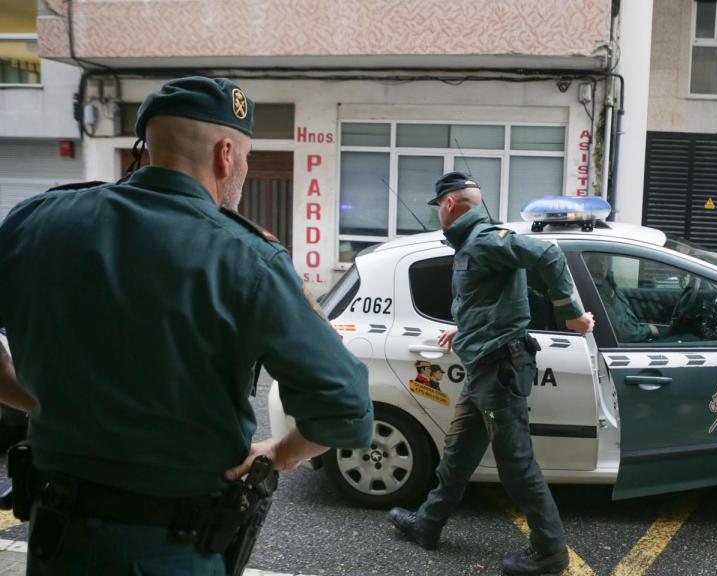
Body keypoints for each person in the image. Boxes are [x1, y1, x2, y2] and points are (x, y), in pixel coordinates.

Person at [0, 76, 373, 575]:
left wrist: (39, 400)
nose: (244, 169)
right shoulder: (247, 258)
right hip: (172, 550)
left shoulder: (34, 222)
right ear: (225, 154)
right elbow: (345, 408)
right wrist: (280, 452)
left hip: (56, 543)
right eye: (246, 157)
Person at [388, 172, 595, 576]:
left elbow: (549, 254)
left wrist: (571, 315)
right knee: (458, 453)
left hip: (499, 369)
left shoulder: (484, 241)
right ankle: (428, 524)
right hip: (483, 368)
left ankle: (550, 551)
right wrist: (464, 326)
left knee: (516, 465)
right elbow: (491, 297)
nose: (439, 214)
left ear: (449, 204)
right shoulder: (471, 245)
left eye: (439, 207)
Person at [583, 253, 660, 342]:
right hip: (626, 340)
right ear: (589, 264)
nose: (602, 265)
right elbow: (621, 334)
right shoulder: (594, 291)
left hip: (633, 330)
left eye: (604, 260)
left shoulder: (607, 282)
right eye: (596, 261)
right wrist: (648, 330)